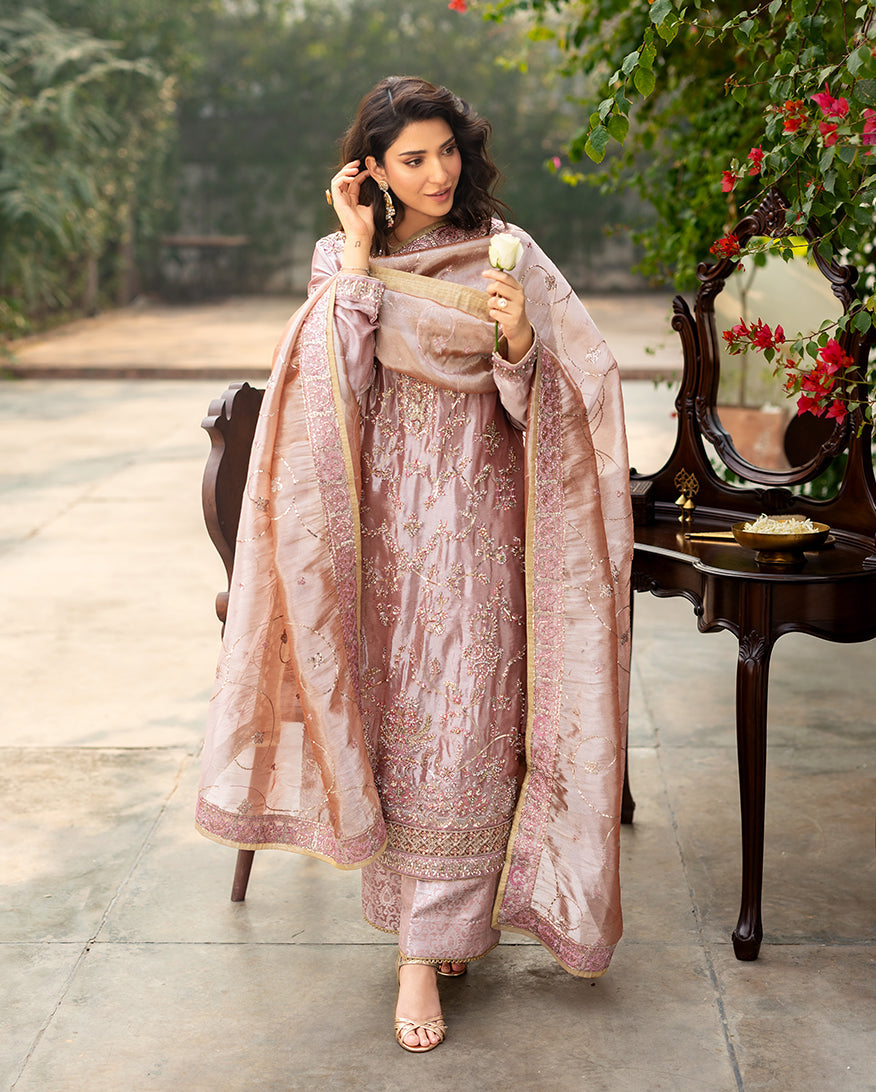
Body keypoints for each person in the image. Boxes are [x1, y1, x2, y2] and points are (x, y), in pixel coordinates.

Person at [197, 75, 633, 1053]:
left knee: (469, 734)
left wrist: (517, 339)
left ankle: (435, 941)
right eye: (413, 158)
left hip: (484, 540)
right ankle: (420, 946)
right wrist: (357, 254)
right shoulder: (341, 260)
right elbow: (333, 392)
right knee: (403, 737)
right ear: (375, 171)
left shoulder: (508, 252)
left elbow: (565, 401)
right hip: (384, 543)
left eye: (447, 151)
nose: (438, 173)